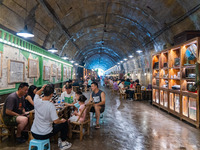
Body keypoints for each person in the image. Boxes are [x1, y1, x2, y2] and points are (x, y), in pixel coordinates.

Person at [31, 84, 72, 150]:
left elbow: (37, 93)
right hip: (45, 134)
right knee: (64, 123)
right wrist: (61, 120)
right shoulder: (51, 105)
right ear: (51, 94)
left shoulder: (36, 101)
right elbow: (56, 121)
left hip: (34, 133)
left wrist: (42, 88)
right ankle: (63, 143)